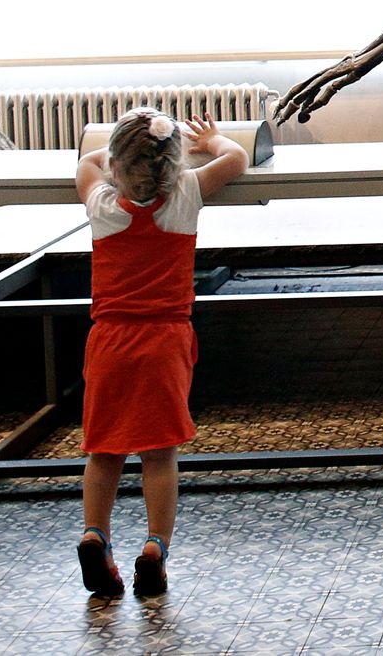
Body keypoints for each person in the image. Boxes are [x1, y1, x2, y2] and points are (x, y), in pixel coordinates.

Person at [72, 108, 248, 598]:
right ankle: (155, 547)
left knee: (103, 449)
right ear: (174, 163)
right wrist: (210, 140)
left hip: (109, 339)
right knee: (159, 454)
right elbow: (235, 158)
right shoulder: (185, 194)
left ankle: (94, 534)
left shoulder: (103, 202)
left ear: (118, 164)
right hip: (165, 340)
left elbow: (86, 163)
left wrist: (117, 161)